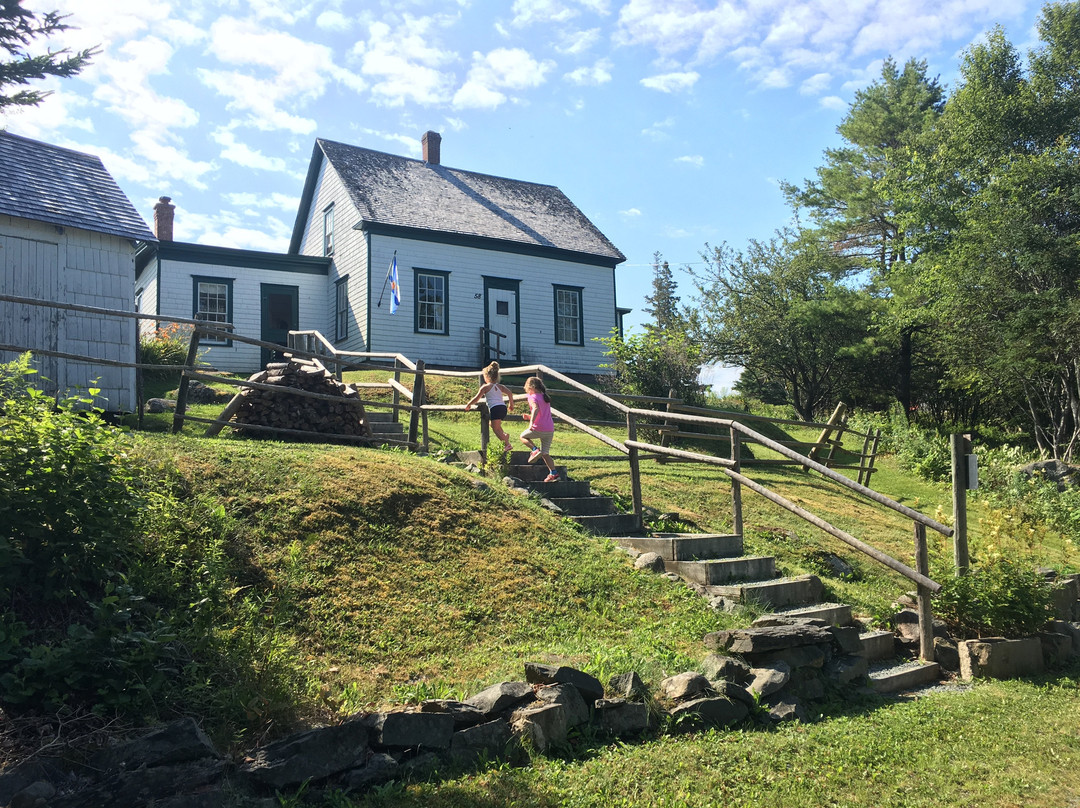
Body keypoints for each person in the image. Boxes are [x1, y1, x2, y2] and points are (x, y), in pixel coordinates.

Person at [464, 361, 515, 452]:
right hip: (502, 407)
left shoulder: (485, 387)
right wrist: (511, 404)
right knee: (493, 424)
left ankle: (507, 444)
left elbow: (477, 398)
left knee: (495, 429)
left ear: (487, 376)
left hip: (495, 408)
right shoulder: (500, 386)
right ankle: (504, 435)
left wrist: (469, 404)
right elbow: (509, 393)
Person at [520, 376, 558, 482]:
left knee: (522, 436)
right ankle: (553, 473)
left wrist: (531, 422)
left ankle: (534, 450)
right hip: (549, 429)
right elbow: (542, 413)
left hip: (539, 428)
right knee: (545, 453)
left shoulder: (532, 397)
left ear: (531, 387)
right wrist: (529, 417)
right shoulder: (544, 396)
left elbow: (536, 409)